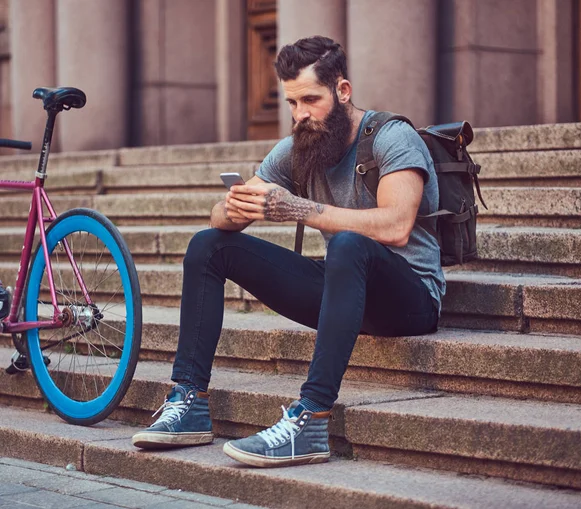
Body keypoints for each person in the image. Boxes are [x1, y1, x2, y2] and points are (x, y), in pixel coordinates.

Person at [132, 35, 445, 468]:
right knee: (208, 246)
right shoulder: (301, 145)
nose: (300, 115)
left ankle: (311, 419)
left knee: (351, 244)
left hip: (410, 299)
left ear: (342, 90)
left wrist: (302, 208)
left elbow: (395, 225)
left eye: (310, 100)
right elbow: (216, 218)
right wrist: (235, 208)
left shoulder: (393, 137)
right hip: (344, 292)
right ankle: (189, 400)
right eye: (292, 103)